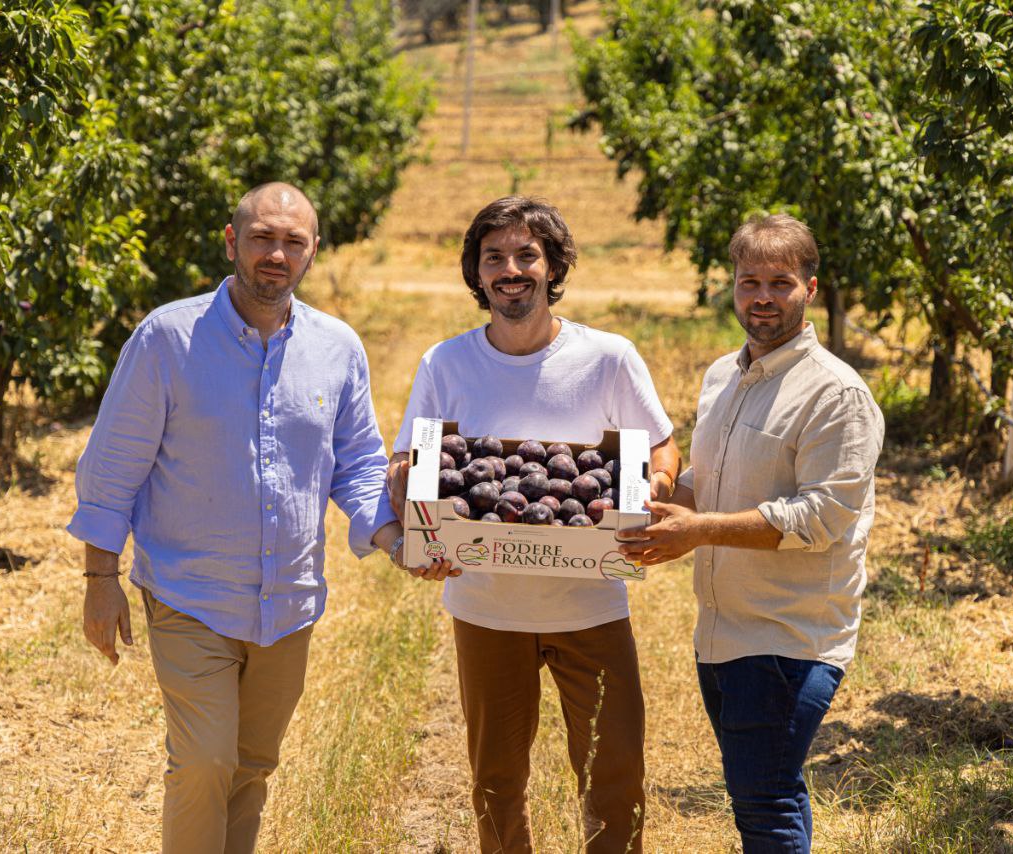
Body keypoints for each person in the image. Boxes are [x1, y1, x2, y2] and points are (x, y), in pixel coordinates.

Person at [67, 182, 429, 853]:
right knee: (205, 760)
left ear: (313, 253)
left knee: (252, 766)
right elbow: (112, 466)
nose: (277, 254)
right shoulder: (168, 339)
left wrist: (393, 537)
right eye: (263, 237)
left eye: (293, 242)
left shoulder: (338, 347)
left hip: (287, 602)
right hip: (188, 593)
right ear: (232, 242)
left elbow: (356, 462)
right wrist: (99, 577)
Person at [387, 196, 681, 854]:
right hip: (487, 608)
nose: (511, 269)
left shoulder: (607, 357)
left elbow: (661, 447)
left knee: (615, 772)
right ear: (478, 273)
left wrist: (652, 491)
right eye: (495, 258)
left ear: (552, 267)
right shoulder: (446, 363)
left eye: (527, 255)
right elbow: (410, 461)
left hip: (591, 603)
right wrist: (419, 520)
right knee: (495, 782)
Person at [619, 213, 884, 853]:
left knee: (764, 804)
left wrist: (699, 530)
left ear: (810, 288)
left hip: (788, 635)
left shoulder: (835, 395)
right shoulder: (721, 376)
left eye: (780, 283)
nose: (762, 297)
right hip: (722, 630)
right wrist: (651, 504)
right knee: (769, 794)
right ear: (732, 287)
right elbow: (705, 481)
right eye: (748, 282)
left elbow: (821, 516)